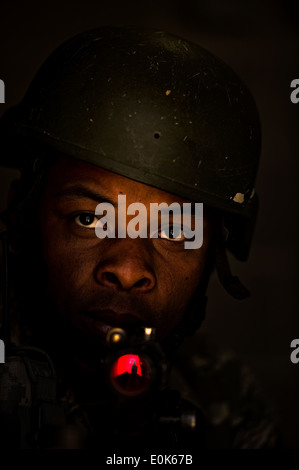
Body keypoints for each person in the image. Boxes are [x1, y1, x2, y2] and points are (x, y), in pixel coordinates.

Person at [0, 26, 278, 450]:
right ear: (23, 216)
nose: (128, 270)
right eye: (90, 218)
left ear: (211, 259)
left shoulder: (221, 391)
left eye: (173, 230)